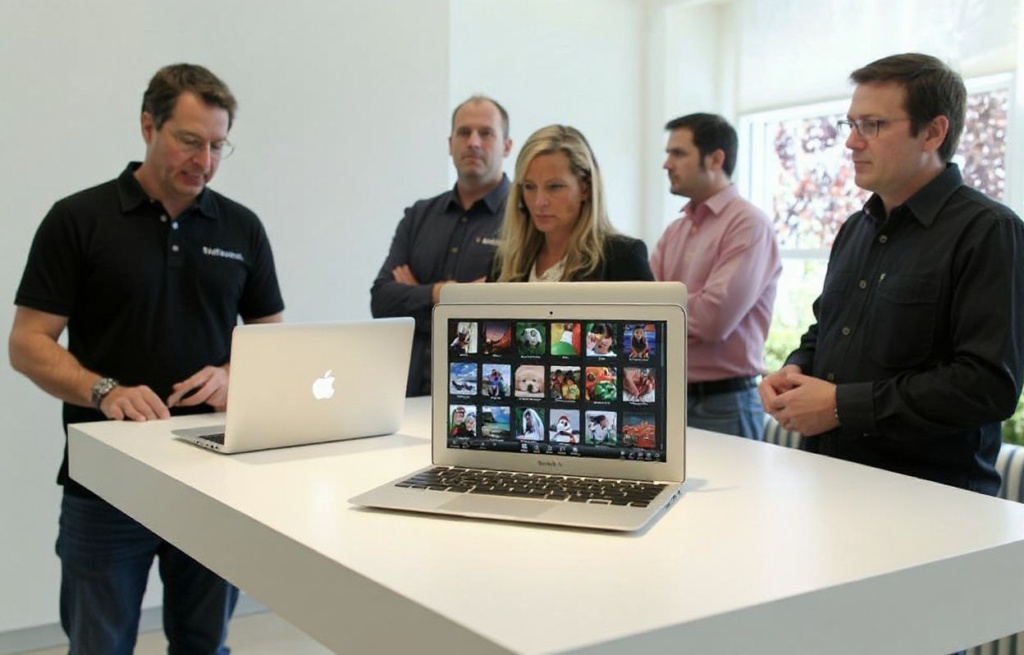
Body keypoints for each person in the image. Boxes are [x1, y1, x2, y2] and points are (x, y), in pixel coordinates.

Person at [8, 64, 285, 654]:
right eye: (189, 141)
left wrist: (237, 373)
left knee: (204, 644)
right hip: (106, 485)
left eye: (217, 146)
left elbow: (272, 340)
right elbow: (27, 343)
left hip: (212, 476)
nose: (204, 160)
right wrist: (104, 389)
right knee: (99, 645)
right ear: (147, 126)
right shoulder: (78, 220)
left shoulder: (242, 227)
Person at [759, 53, 1024, 497]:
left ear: (933, 132)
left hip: (932, 505)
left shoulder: (990, 231)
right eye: (851, 125)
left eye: (873, 125)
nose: (851, 142)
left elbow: (986, 386)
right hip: (828, 487)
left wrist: (842, 406)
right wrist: (794, 370)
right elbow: (826, 331)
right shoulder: (854, 229)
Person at [650, 113, 781, 440]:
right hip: (668, 398)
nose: (667, 164)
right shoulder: (675, 231)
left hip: (725, 404)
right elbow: (641, 312)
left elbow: (713, 320)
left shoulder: (749, 225)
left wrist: (664, 309)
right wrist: (669, 310)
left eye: (678, 153)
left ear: (716, 159)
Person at [371, 95, 513, 396]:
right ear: (450, 144)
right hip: (410, 392)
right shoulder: (419, 215)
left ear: (507, 146)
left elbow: (505, 313)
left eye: (486, 133)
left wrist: (417, 293)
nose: (473, 142)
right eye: (464, 132)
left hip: (488, 394)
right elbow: (382, 300)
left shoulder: (525, 218)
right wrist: (449, 294)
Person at [489, 124, 654, 283]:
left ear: (585, 188)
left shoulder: (622, 258)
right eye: (530, 187)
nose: (539, 202)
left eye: (554, 187)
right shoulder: (504, 263)